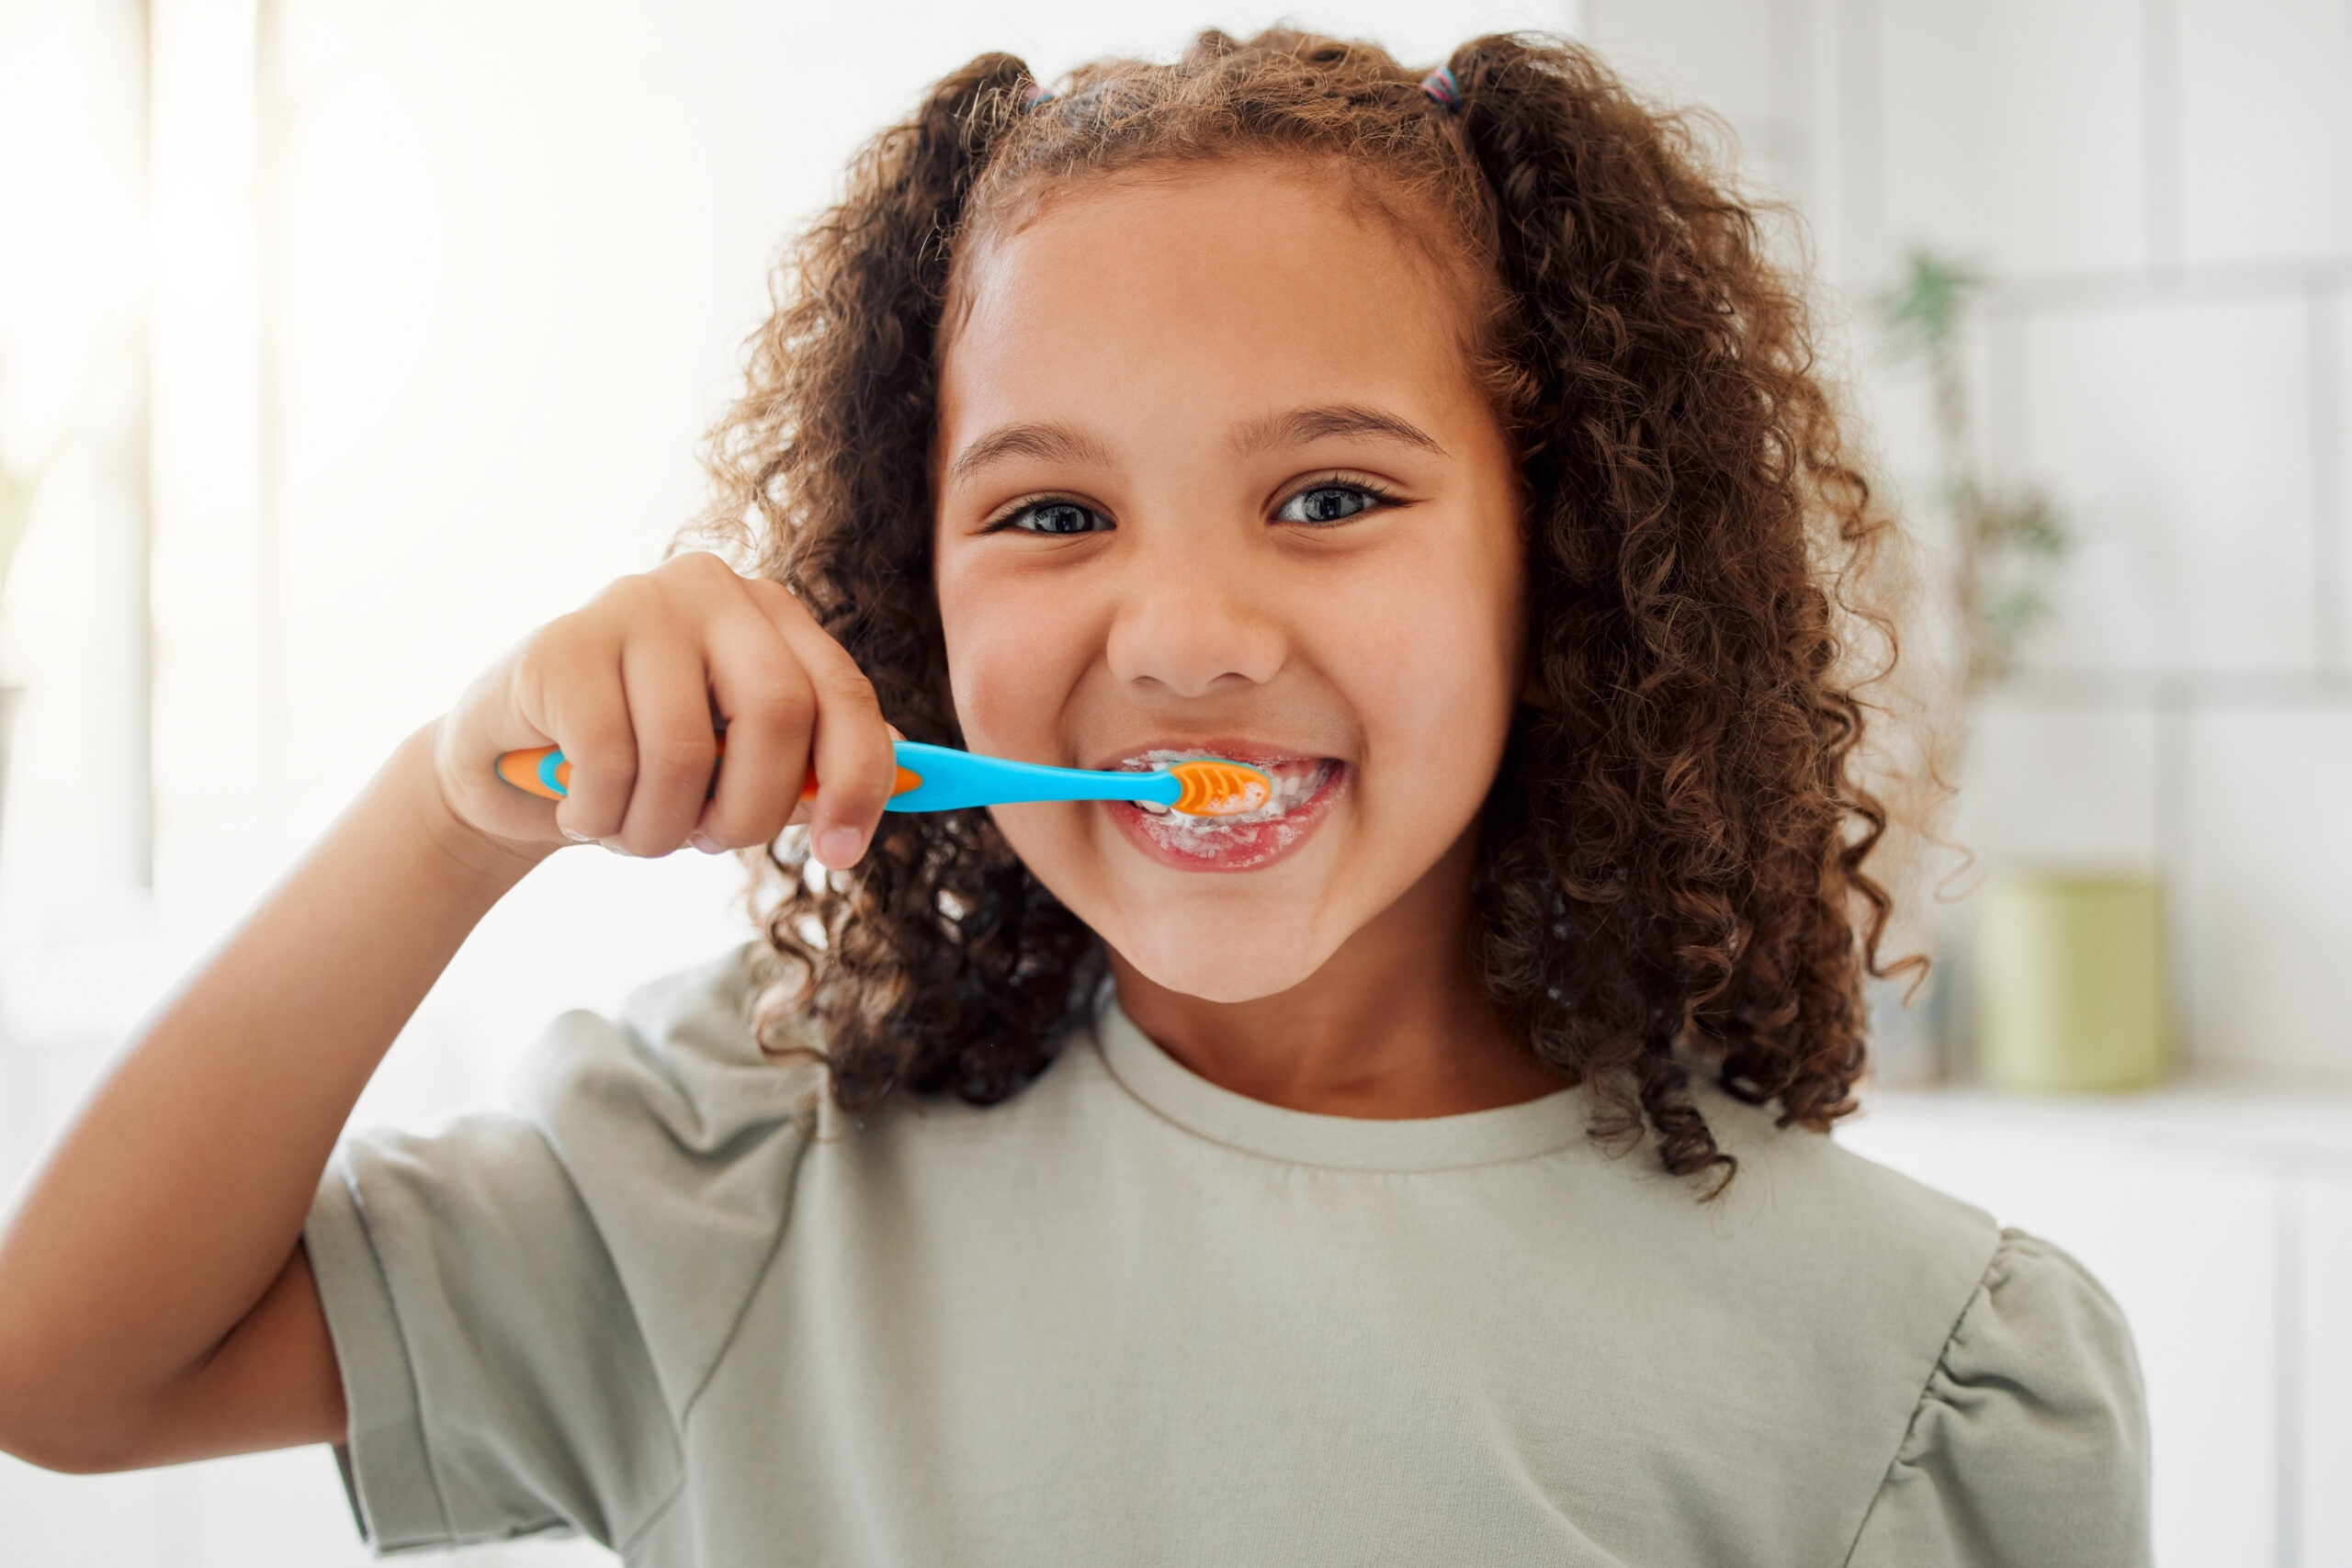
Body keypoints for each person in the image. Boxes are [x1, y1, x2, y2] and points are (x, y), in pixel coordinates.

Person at [0, 28, 2150, 1566]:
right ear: (911, 593)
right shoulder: (739, 1183)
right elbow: (74, 1369)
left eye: (1327, 494)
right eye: (1048, 511)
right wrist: (453, 810)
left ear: (1555, 554)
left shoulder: (1907, 1371)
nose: (1187, 628)